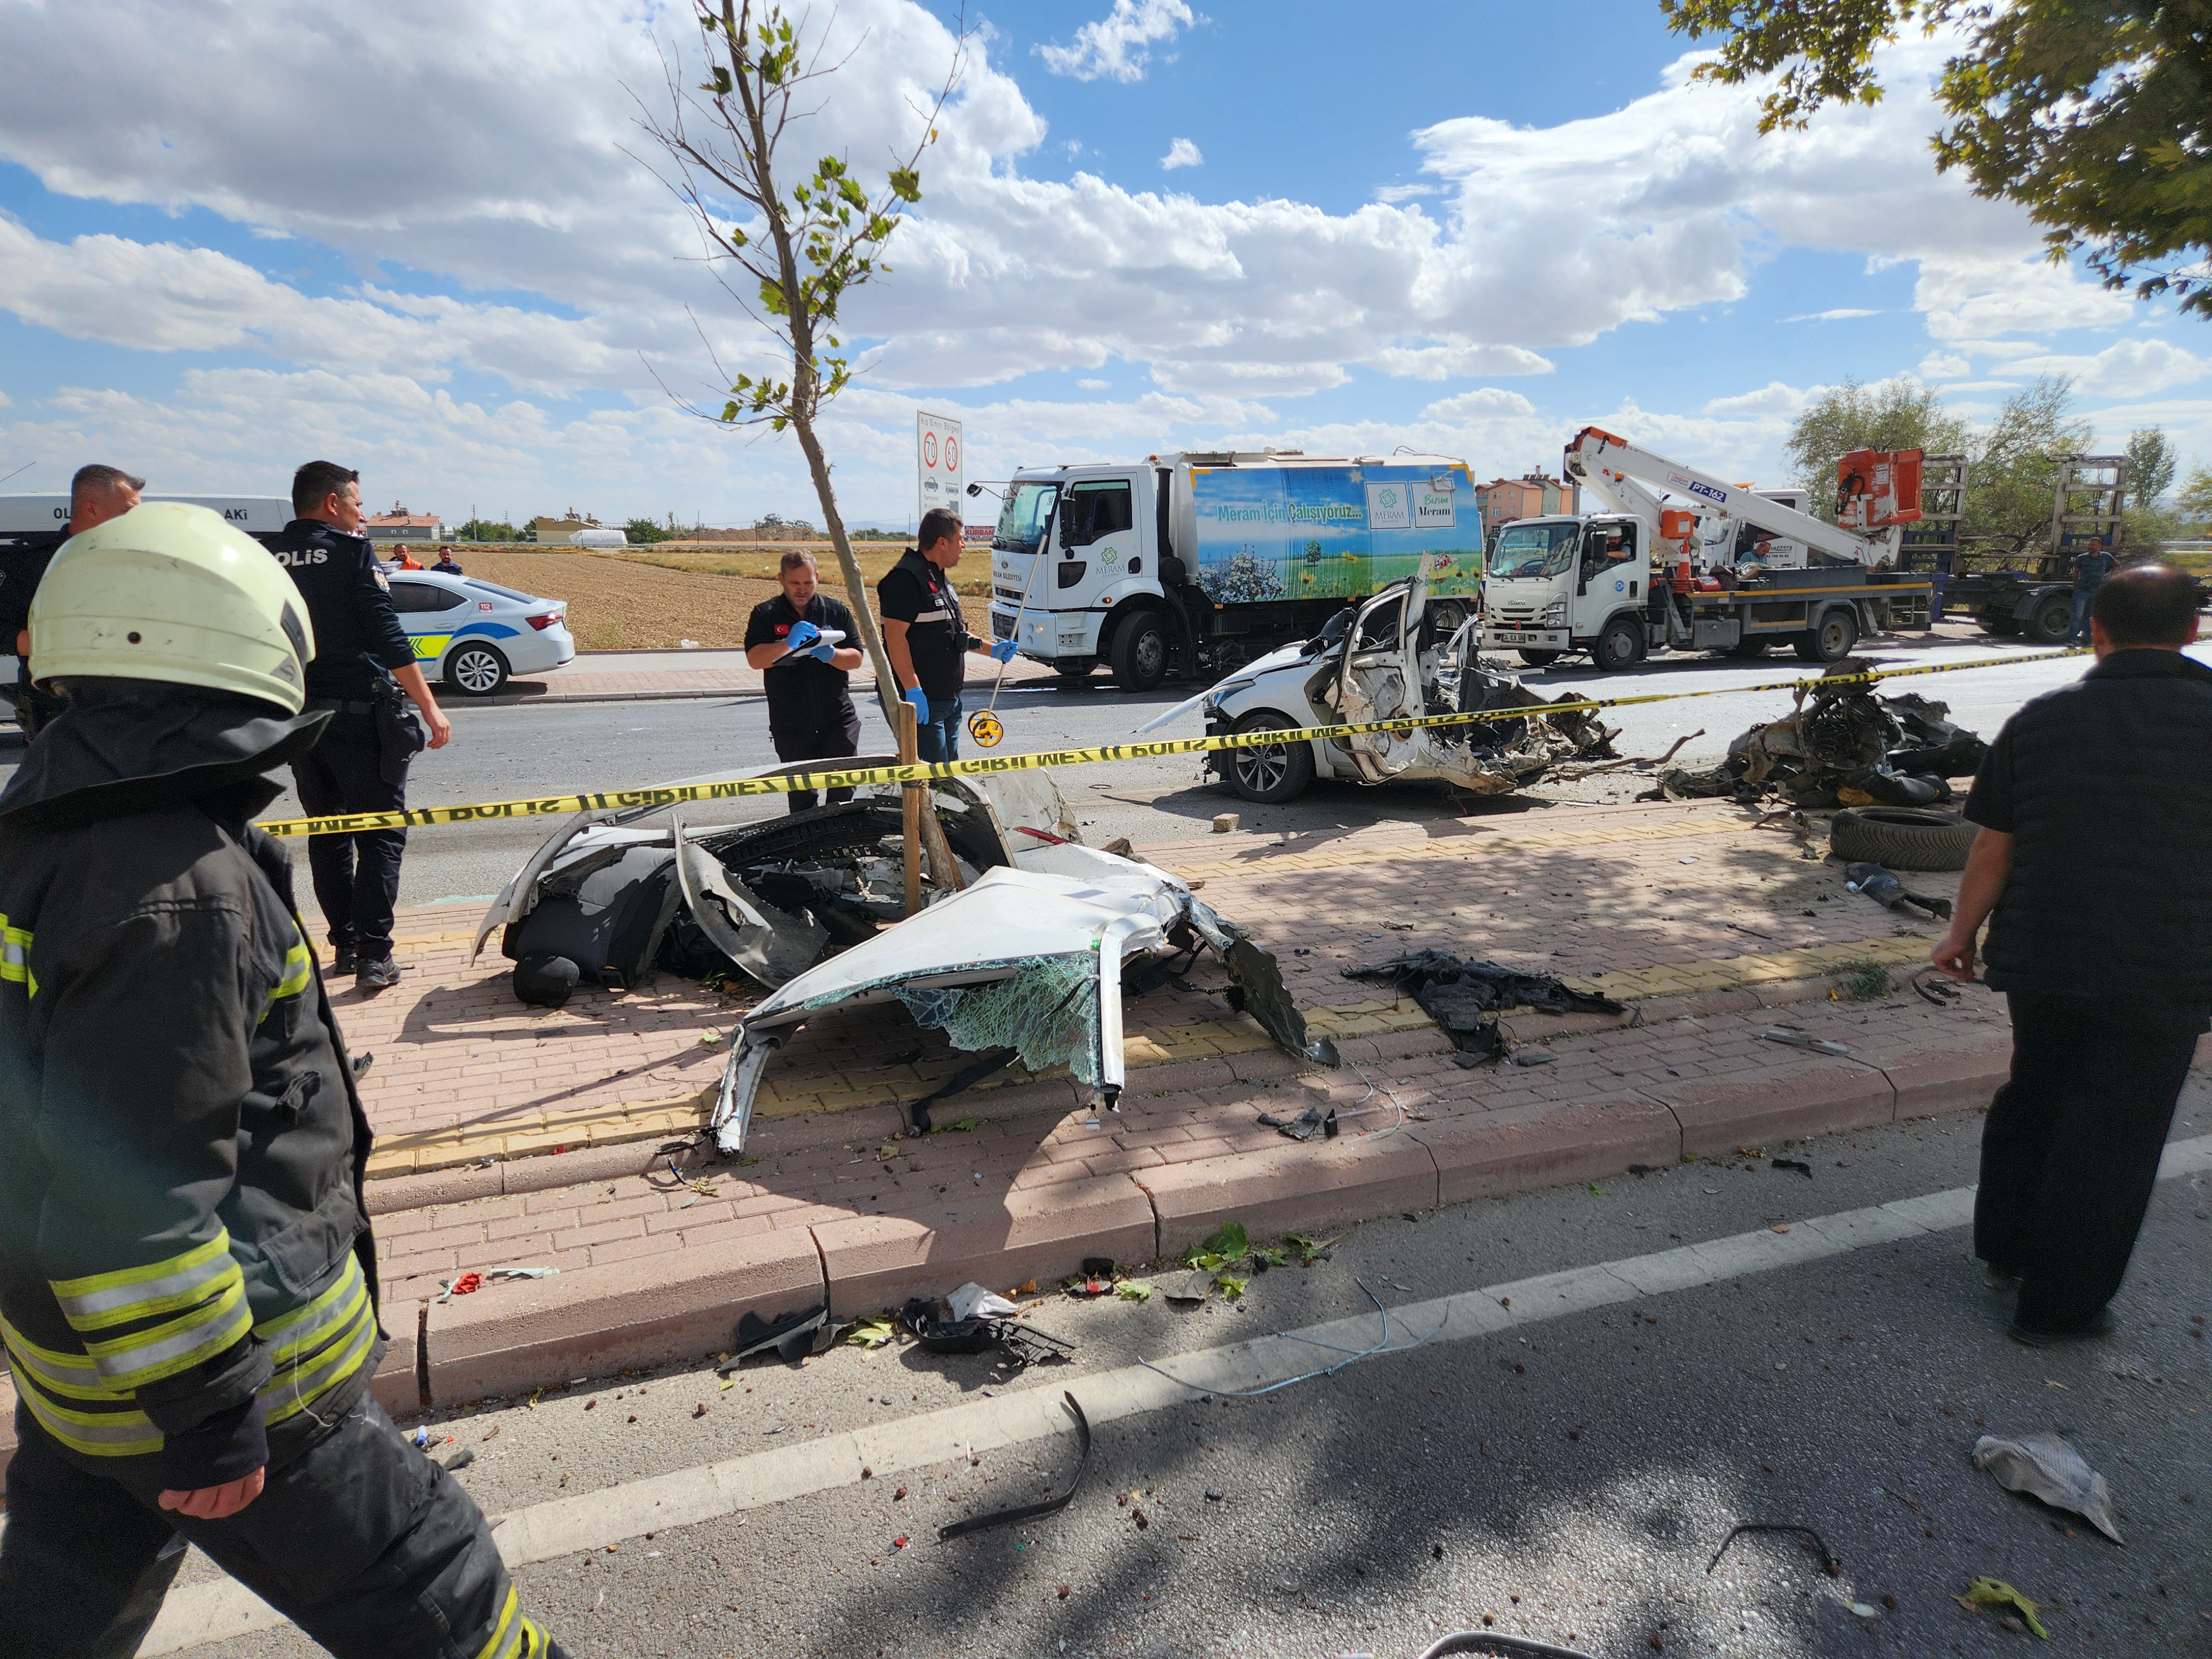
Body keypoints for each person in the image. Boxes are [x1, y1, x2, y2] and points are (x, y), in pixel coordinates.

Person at [0, 503, 565, 1659]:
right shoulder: (180, 890)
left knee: (56, 1625)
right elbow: (136, 1199)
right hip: (234, 1382)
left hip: (81, 1382)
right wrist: (211, 1418)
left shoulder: (41, 839)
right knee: (444, 1600)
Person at [1931, 564, 2212, 1346]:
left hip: (2046, 961)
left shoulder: (2042, 719)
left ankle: (2008, 1248)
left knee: (2039, 1093)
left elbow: (1995, 847)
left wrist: (1960, 935)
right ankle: (2058, 1311)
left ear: (2095, 629)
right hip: (2167, 967)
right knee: (2115, 1133)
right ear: (2193, 630)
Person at [273, 462, 451, 992]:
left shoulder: (263, 556)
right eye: (356, 505)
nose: (362, 515)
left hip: (301, 723)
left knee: (327, 836)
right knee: (379, 837)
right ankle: (376, 956)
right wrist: (430, 707)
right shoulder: (352, 553)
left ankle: (346, 946)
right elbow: (389, 637)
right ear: (332, 504)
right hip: (358, 720)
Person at [0, 464, 142, 737]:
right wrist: (33, 642)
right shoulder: (35, 564)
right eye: (127, 511)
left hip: (130, 717)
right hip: (58, 723)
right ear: (91, 509)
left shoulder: (140, 564)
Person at [877, 507, 1016, 763]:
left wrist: (992, 650)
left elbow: (952, 633)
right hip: (922, 702)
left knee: (949, 777)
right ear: (942, 542)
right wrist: (913, 689)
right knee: (934, 778)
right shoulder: (905, 579)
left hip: (948, 699)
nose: (964, 545)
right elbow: (895, 640)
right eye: (960, 538)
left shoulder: (938, 576)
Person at [744, 550, 865, 812]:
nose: (802, 590)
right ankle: (808, 853)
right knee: (802, 797)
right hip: (791, 724)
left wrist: (832, 654)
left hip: (838, 719)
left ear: (817, 578)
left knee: (843, 792)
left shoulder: (835, 611)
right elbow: (755, 659)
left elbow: (856, 658)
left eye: (808, 583)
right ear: (781, 580)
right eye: (795, 583)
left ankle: (840, 848)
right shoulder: (766, 614)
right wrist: (787, 644)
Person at [2068, 536, 2116, 644]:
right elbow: (2076, 573)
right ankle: (2072, 640)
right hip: (2082, 591)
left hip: (2096, 591)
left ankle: (2087, 640)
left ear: (2100, 547)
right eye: (2090, 545)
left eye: (2093, 545)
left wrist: (2109, 575)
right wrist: (2076, 587)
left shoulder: (2106, 557)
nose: (2090, 547)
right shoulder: (2081, 558)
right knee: (2078, 615)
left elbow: (2117, 565)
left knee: (2090, 617)